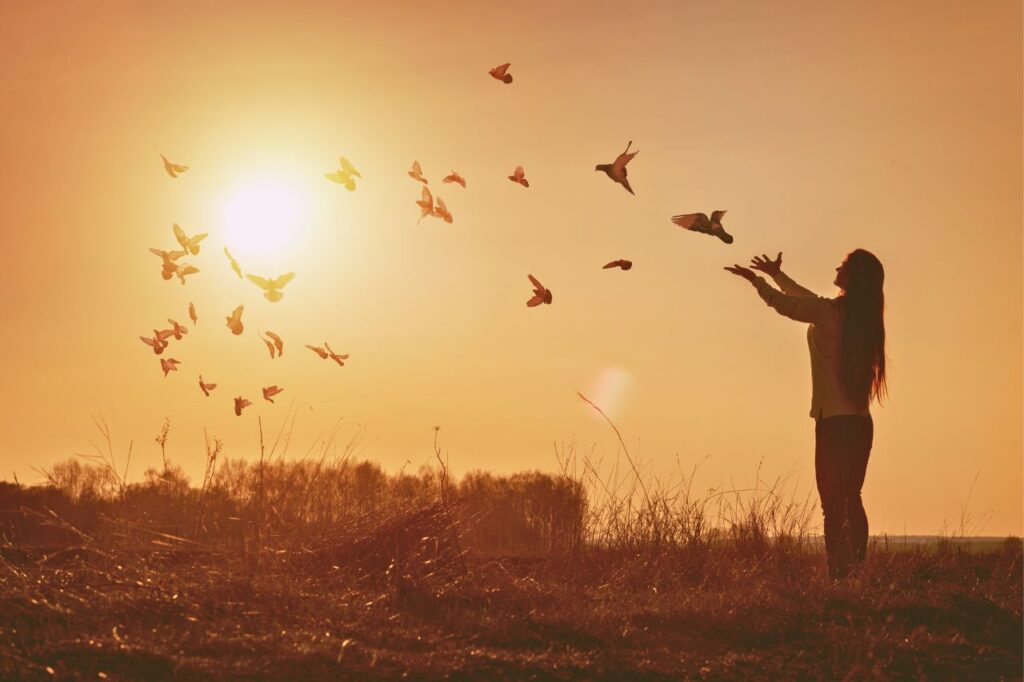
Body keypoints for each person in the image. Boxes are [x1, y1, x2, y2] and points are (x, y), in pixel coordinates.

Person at [725, 250, 887, 578]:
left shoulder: (829, 313)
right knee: (851, 497)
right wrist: (777, 276)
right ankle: (855, 570)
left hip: (833, 424)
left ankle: (838, 574)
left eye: (843, 265)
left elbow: (789, 305)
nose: (837, 267)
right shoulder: (858, 317)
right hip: (858, 423)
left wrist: (757, 281)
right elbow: (807, 299)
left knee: (832, 503)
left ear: (854, 277)